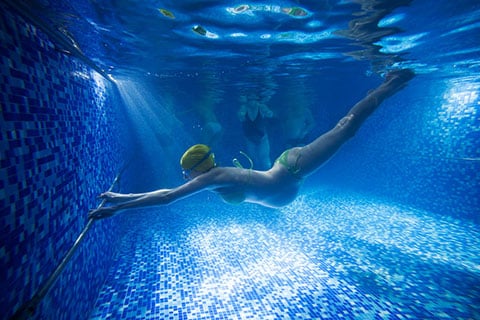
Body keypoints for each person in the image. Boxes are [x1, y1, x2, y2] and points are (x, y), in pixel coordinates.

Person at [89, 69, 414, 219]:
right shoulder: (212, 177)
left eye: (186, 170)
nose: (184, 176)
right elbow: (167, 194)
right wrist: (119, 196)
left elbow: (167, 198)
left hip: (291, 169)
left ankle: (389, 86)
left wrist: (118, 207)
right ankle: (387, 86)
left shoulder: (211, 178)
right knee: (343, 131)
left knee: (345, 129)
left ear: (197, 168)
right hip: (282, 172)